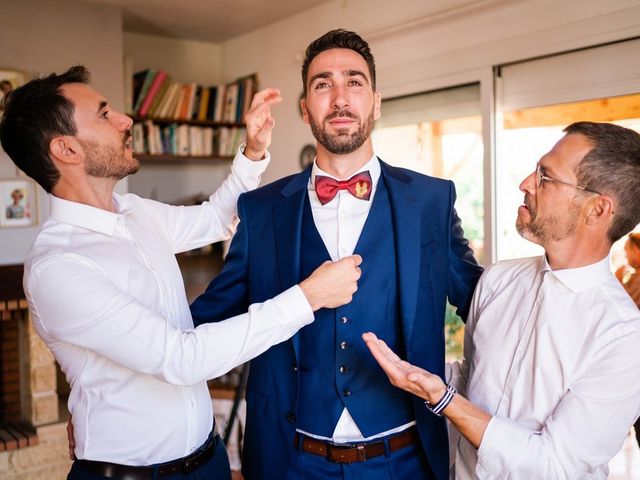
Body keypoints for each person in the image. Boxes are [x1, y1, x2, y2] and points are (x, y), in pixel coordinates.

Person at [0, 65, 363, 480]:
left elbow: (214, 219)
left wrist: (253, 151)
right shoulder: (59, 267)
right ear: (66, 150)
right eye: (104, 114)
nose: (125, 119)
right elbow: (181, 359)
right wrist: (308, 297)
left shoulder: (135, 211)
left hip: (208, 462)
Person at [190, 29, 483, 480]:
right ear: (305, 108)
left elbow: (483, 305)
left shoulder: (429, 202)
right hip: (290, 460)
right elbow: (206, 321)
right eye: (323, 84)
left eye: (355, 82)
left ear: (377, 102)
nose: (340, 97)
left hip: (404, 459)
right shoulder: (262, 209)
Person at [364, 121, 640, 479]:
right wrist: (405, 367)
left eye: (546, 176)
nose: (526, 183)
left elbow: (552, 465)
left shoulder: (623, 337)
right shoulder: (498, 280)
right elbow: (471, 377)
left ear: (598, 210)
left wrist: (443, 400)